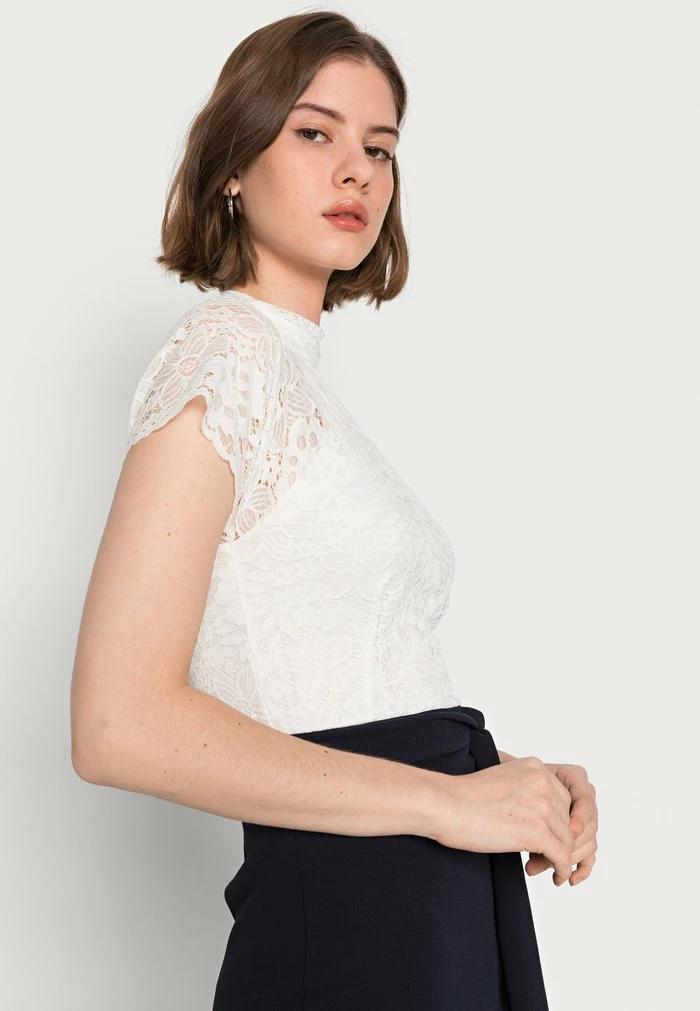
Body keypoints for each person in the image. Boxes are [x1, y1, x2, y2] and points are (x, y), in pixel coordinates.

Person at [70, 10, 598, 1009]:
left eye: (380, 148)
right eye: (314, 132)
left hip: (428, 892)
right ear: (234, 162)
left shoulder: (296, 381)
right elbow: (115, 721)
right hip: (364, 901)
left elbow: (337, 680)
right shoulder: (225, 359)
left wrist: (508, 783)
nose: (356, 170)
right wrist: (445, 801)